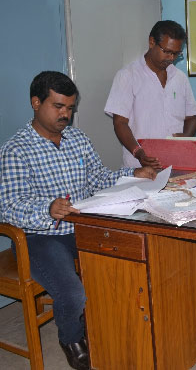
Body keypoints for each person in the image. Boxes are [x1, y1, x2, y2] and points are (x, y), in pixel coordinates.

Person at [0, 71, 157, 370]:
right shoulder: (16, 150)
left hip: (83, 226)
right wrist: (47, 209)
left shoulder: (78, 139)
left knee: (125, 265)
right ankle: (72, 338)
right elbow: (8, 207)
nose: (65, 114)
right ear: (36, 103)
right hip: (40, 236)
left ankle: (113, 325)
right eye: (58, 106)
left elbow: (98, 179)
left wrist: (133, 174)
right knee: (71, 293)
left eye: (70, 108)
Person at [104, 20, 196, 168]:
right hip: (140, 165)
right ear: (152, 42)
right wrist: (138, 152)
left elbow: (191, 118)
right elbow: (120, 123)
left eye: (176, 54)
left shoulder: (180, 78)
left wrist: (185, 139)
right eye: (167, 51)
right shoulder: (127, 76)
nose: (171, 58)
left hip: (175, 164)